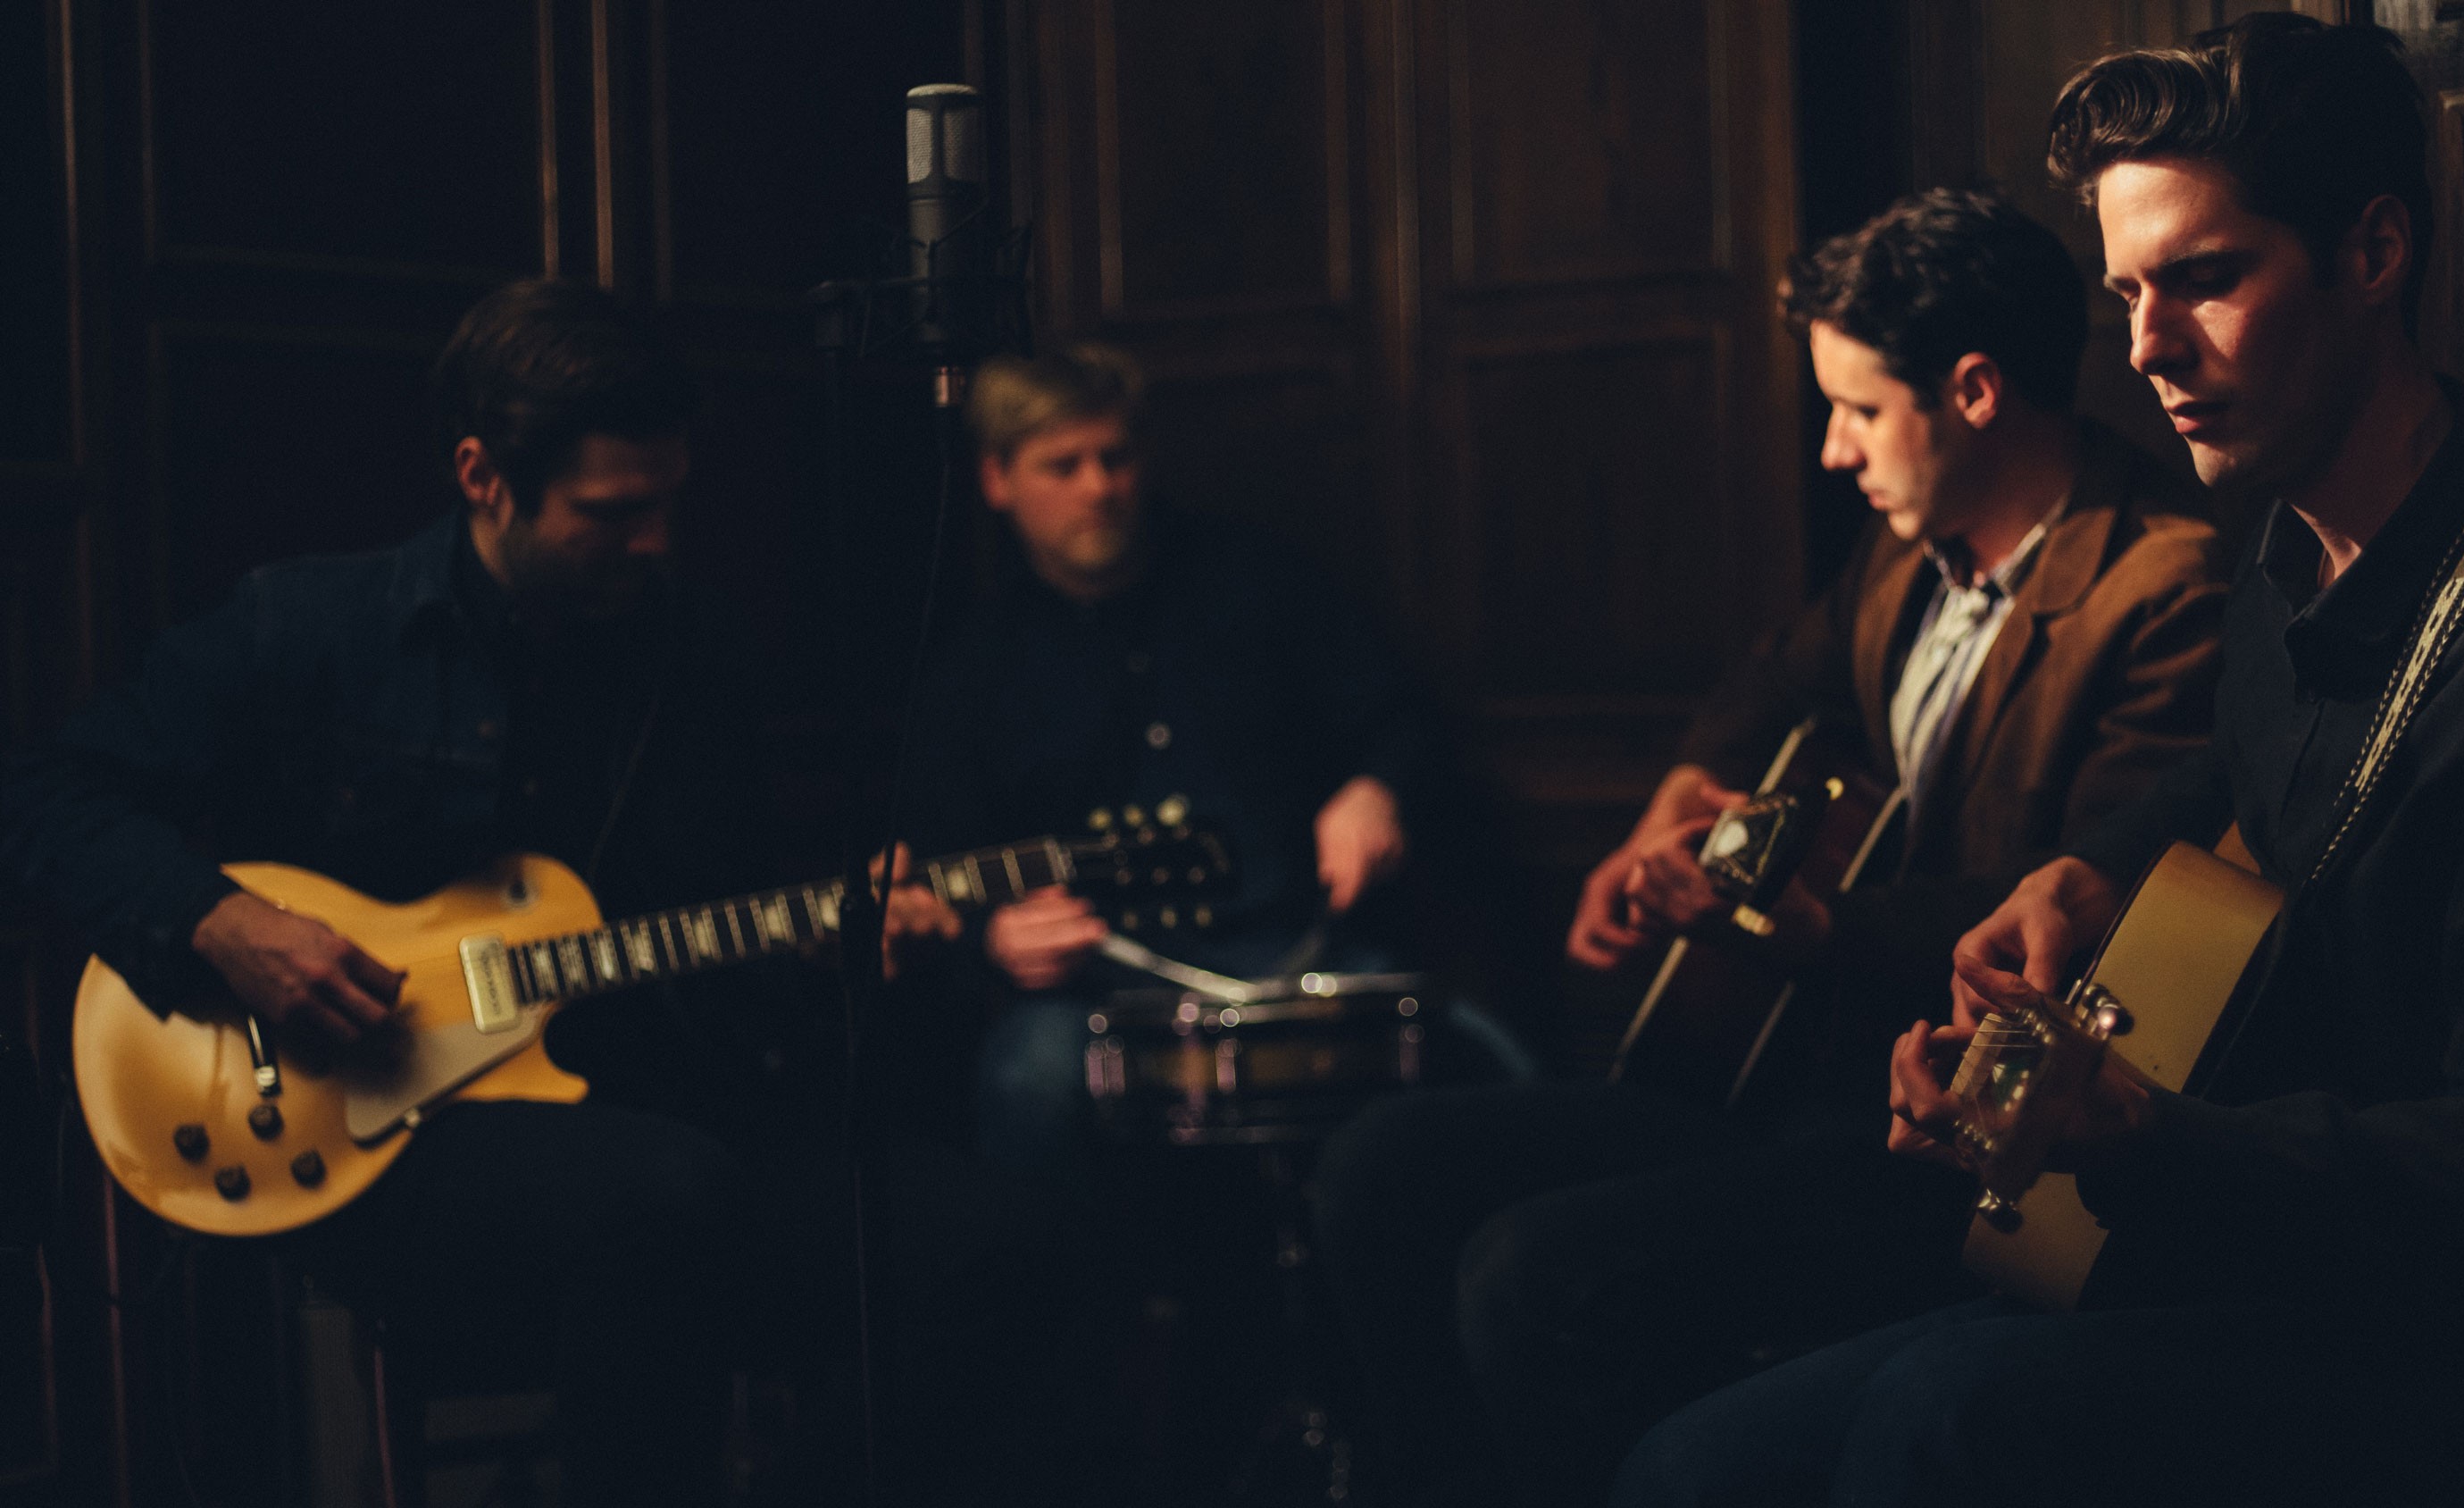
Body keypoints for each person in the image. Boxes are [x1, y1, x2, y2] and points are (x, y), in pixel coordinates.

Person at [1615, 16, 2464, 1506]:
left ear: (2373, 252)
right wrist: (2088, 868)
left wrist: (2140, 1133)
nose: (2144, 348)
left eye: (2205, 278)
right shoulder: (2285, 551)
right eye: (2125, 291)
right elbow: (2261, 781)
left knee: (1942, 1413)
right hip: (2276, 1238)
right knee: (1686, 1463)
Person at [1310, 189, 2226, 1506]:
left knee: (1531, 1272)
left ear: (1972, 392)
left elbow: (2091, 900)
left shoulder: (2165, 588)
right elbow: (1777, 680)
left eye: (1857, 411)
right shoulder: (1908, 549)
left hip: (1940, 1132)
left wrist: (1825, 932)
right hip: (1782, 1064)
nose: (1835, 453)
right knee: (1379, 1167)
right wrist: (1663, 813)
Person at [0, 281, 765, 1506]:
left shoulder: (695, 653)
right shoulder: (309, 624)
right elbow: (38, 789)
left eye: (668, 505)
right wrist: (222, 921)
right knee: (669, 1197)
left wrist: (853, 923)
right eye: (613, 512)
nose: (656, 543)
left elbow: (735, 890)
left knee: (887, 1206)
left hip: (610, 1081)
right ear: (484, 475)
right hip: (359, 1126)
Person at [873, 342, 1476, 1189]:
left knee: (1481, 1061)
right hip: (1100, 983)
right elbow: (933, 868)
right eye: (1064, 466)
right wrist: (993, 938)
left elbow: (1403, 722)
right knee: (1029, 1081)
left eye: (1115, 458)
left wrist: (1376, 791)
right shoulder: (974, 668)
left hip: (1298, 943)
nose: (1098, 487)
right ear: (997, 480)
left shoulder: (1258, 579)